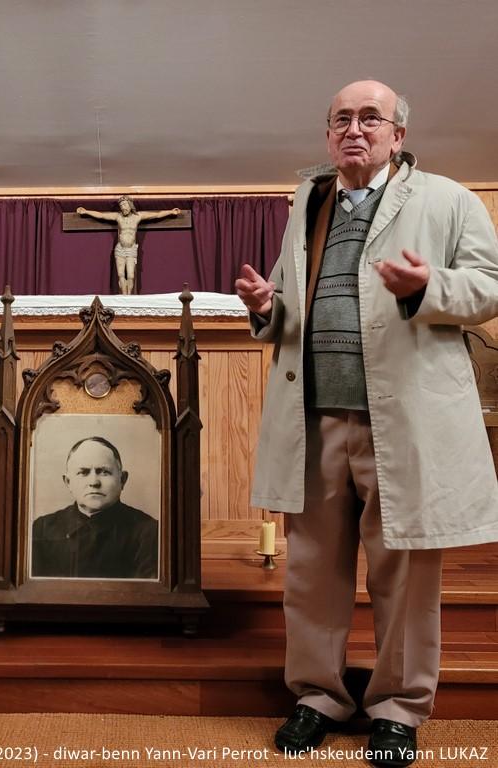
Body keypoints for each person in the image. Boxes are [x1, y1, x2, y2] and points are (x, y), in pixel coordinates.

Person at [236, 80, 498, 768]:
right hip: (317, 417)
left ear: (397, 135)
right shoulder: (309, 201)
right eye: (342, 119)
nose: (355, 129)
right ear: (329, 135)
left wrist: (427, 287)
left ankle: (397, 709)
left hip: (402, 423)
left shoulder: (446, 199)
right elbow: (293, 307)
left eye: (370, 118)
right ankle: (318, 696)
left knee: (405, 575)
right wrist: (268, 307)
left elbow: (489, 286)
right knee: (311, 572)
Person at [32, 436, 158, 579]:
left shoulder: (148, 532)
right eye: (83, 472)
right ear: (68, 482)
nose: (94, 482)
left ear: (122, 479)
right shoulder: (42, 528)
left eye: (104, 472)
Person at [76, 196, 180, 294]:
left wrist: (171, 212)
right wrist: (86, 212)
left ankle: (129, 297)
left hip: (131, 249)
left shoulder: (138, 216)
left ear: (130, 205)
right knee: (120, 275)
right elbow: (102, 215)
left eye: (125, 205)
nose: (123, 208)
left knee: (130, 275)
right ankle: (124, 296)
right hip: (120, 249)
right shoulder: (118, 216)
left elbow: (156, 214)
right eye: (121, 206)